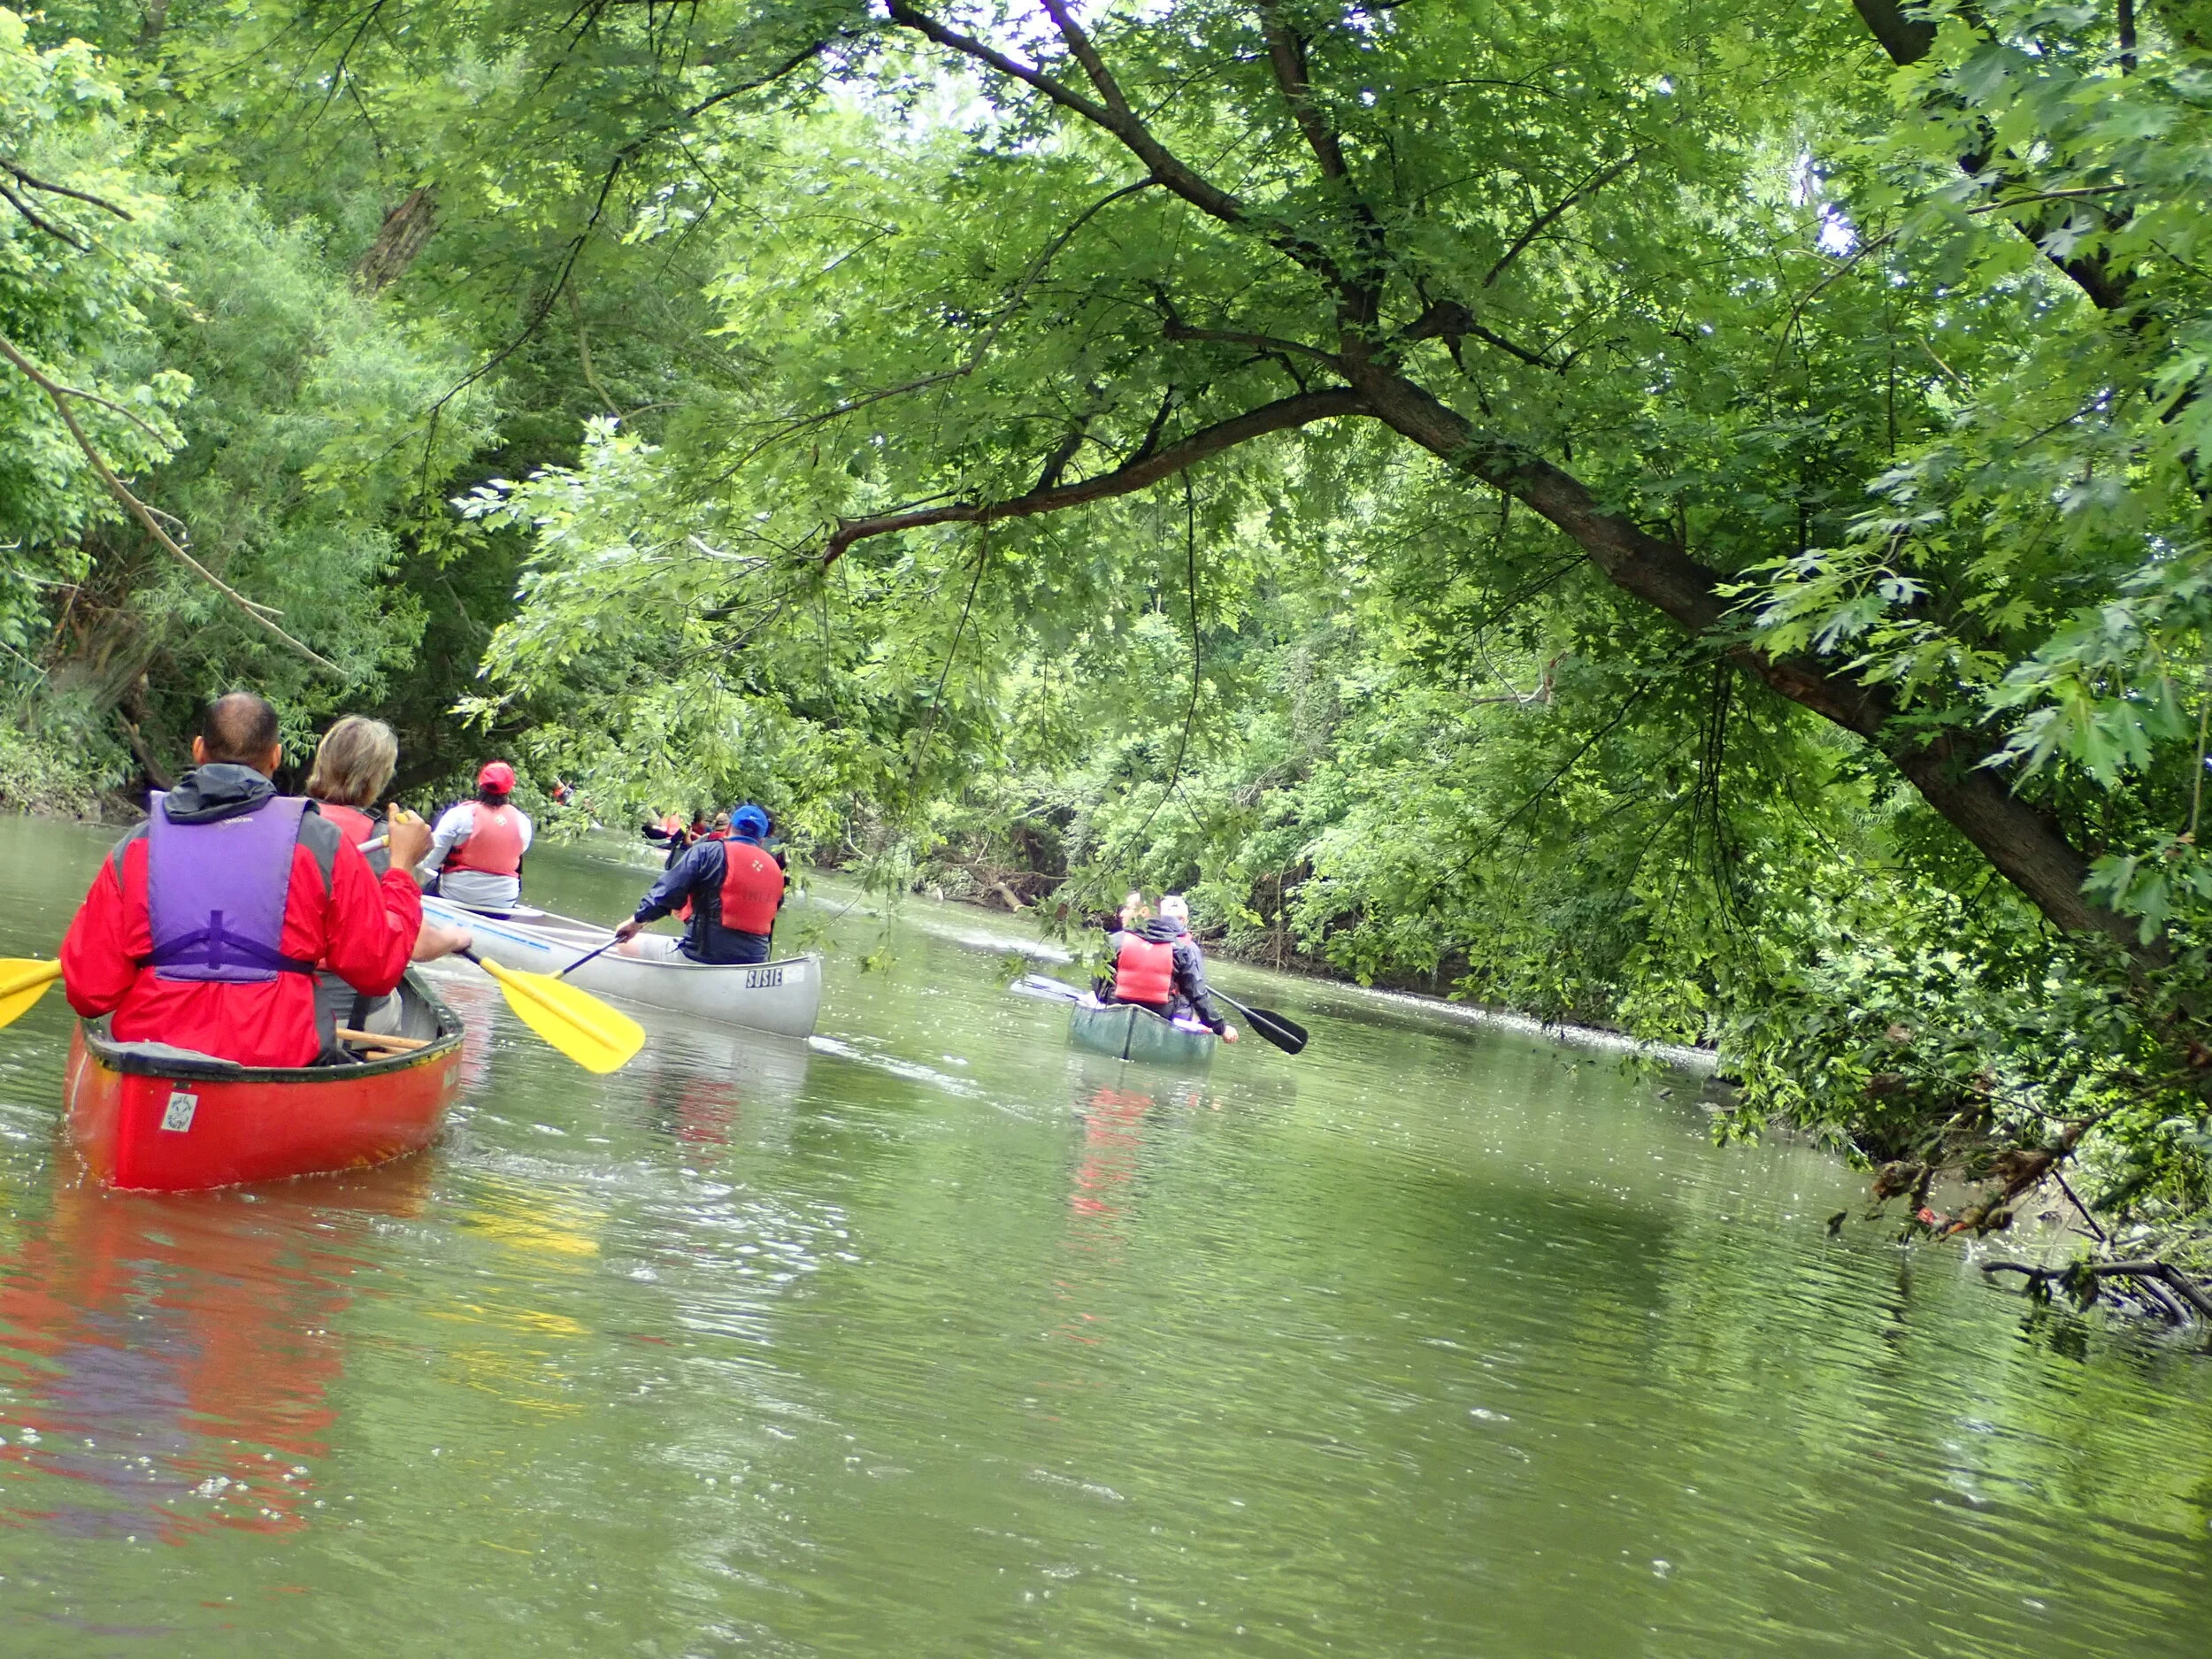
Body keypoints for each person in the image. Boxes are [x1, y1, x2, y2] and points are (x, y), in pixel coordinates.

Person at [59, 692, 434, 1069]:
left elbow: (89, 992)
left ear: (199, 750)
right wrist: (401, 872)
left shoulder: (137, 846)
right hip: (279, 1059)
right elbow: (378, 970)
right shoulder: (321, 844)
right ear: (275, 757)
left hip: (149, 1049)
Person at [303, 718, 472, 1048]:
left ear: (322, 761)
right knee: (395, 1004)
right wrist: (454, 939)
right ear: (379, 777)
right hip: (350, 1016)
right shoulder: (387, 841)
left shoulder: (286, 821)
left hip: (278, 1004)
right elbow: (416, 947)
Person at [612, 803, 787, 965]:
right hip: (753, 963)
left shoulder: (706, 852)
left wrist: (636, 922)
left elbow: (668, 892)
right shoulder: (775, 870)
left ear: (728, 829)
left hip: (702, 957)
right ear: (762, 840)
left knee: (625, 944)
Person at [1105, 892, 1237, 1041]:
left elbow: (1099, 989)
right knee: (1191, 1009)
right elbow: (1197, 993)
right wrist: (1221, 1027)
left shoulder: (1114, 941)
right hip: (1164, 1014)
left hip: (1117, 1007)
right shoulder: (1182, 948)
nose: (1122, 913)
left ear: (1145, 912)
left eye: (1127, 908)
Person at [418, 761, 534, 910]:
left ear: (480, 784)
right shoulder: (522, 822)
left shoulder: (459, 815)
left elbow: (430, 861)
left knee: (421, 889)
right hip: (503, 903)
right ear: (510, 788)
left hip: (455, 896)